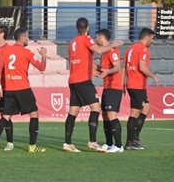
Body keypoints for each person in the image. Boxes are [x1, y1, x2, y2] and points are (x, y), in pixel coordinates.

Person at [63, 17, 124, 152]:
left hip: (73, 79)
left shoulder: (72, 42)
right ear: (87, 27)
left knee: (73, 110)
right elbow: (100, 50)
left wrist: (92, 69)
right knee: (96, 107)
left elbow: (78, 60)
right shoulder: (86, 39)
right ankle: (92, 141)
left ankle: (67, 143)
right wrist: (113, 44)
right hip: (83, 80)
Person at [0, 27, 47, 152]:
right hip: (23, 88)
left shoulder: (6, 51)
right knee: (34, 114)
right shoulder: (27, 52)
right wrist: (44, 55)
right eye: (27, 36)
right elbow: (41, 67)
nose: (28, 38)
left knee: (6, 116)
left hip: (9, 89)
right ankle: (32, 146)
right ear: (22, 38)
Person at [122, 27, 160, 150]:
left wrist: (123, 83)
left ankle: (135, 138)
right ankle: (130, 142)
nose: (152, 41)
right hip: (137, 84)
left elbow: (124, 67)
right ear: (146, 37)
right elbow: (142, 67)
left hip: (132, 83)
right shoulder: (143, 49)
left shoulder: (130, 48)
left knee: (146, 108)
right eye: (152, 38)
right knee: (135, 113)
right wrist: (153, 76)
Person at [95, 29, 124, 153]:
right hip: (107, 86)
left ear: (102, 37)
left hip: (114, 86)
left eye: (97, 37)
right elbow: (104, 69)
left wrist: (107, 72)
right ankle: (109, 143)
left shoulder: (112, 51)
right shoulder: (103, 53)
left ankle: (118, 146)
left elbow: (117, 67)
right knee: (105, 115)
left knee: (112, 114)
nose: (95, 40)